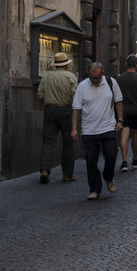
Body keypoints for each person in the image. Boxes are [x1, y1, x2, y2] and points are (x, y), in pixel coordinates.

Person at [71, 62, 124, 200]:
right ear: (88, 74)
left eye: (98, 77)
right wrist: (74, 128)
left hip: (108, 127)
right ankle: (95, 189)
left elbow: (119, 101)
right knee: (91, 161)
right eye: (92, 78)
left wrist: (120, 120)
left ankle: (108, 177)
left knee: (112, 155)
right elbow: (76, 108)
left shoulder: (111, 83)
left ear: (102, 73)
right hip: (89, 130)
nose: (95, 80)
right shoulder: (82, 86)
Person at [37, 51, 78, 183]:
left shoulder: (46, 75)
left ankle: (44, 170)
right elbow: (74, 97)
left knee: (48, 142)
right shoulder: (70, 77)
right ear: (66, 65)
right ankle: (67, 174)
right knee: (68, 143)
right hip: (65, 110)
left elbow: (40, 95)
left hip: (50, 110)